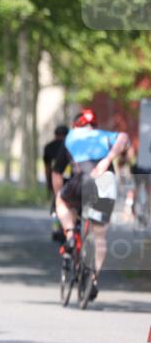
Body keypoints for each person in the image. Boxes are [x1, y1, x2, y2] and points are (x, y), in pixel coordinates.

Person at [51, 108, 129, 301]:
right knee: (100, 235)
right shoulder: (104, 135)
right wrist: (108, 160)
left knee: (62, 200)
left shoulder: (71, 137)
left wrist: (58, 196)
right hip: (104, 182)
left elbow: (56, 174)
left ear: (76, 125)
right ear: (94, 125)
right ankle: (93, 279)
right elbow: (124, 137)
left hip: (81, 181)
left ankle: (70, 234)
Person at [43, 125, 70, 243]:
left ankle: (56, 228)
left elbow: (47, 167)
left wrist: (48, 182)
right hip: (72, 180)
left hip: (56, 180)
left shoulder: (49, 147)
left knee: (56, 204)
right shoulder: (71, 146)